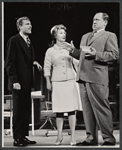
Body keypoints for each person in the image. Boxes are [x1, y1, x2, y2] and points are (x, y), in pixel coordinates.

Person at [64, 12, 119, 146]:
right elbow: (82, 56)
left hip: (97, 77)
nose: (94, 22)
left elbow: (114, 54)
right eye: (93, 19)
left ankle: (108, 138)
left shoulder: (109, 36)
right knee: (87, 111)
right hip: (82, 77)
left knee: (101, 108)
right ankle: (91, 138)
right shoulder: (85, 36)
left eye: (97, 20)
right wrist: (73, 51)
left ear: (105, 22)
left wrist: (96, 54)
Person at [5, 16, 42, 146]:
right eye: (27, 24)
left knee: (25, 110)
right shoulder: (14, 41)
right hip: (18, 83)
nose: (30, 26)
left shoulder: (29, 42)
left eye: (30, 23)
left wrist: (34, 62)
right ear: (20, 26)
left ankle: (23, 136)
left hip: (27, 82)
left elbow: (25, 59)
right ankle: (17, 138)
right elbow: (10, 63)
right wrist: (14, 80)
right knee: (18, 111)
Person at [43, 24, 82, 146]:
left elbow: (78, 63)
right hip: (57, 82)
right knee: (59, 111)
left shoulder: (69, 48)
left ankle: (73, 135)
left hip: (70, 80)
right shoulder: (50, 51)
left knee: (71, 110)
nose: (63, 34)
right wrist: (48, 81)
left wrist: (74, 51)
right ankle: (59, 136)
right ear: (55, 35)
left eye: (64, 33)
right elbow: (47, 67)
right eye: (60, 33)